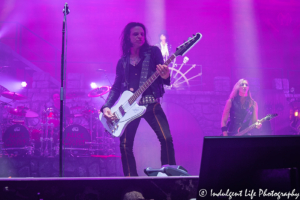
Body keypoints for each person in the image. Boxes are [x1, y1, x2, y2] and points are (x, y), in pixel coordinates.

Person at [101, 22, 176, 176]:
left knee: (166, 139)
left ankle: (170, 177)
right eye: (136, 34)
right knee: (125, 145)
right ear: (128, 37)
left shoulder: (153, 52)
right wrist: (106, 107)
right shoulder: (122, 61)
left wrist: (166, 75)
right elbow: (116, 88)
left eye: (142, 34)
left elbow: (163, 77)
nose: (140, 36)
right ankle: (131, 182)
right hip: (129, 107)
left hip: (151, 103)